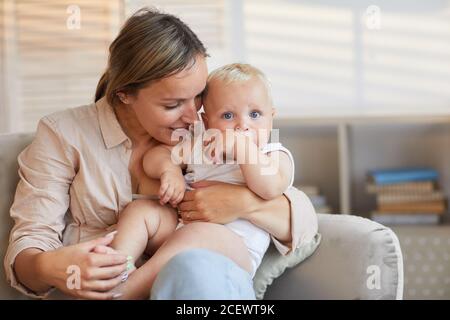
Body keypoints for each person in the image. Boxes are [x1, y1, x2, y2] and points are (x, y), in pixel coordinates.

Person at [4, 8, 318, 300]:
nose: (192, 115)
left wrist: (241, 204)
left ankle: (125, 292)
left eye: (198, 98)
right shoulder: (64, 134)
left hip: (200, 275)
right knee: (143, 217)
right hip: (130, 271)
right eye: (172, 105)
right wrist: (51, 266)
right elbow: (28, 248)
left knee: (192, 261)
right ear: (124, 94)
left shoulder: (218, 130)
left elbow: (301, 216)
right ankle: (120, 278)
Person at [111, 63, 295, 284]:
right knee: (139, 211)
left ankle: (129, 289)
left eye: (255, 114)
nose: (242, 126)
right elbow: (155, 157)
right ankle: (117, 272)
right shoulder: (204, 145)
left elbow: (271, 187)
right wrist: (170, 171)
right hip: (181, 231)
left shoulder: (272, 153)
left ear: (271, 118)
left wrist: (240, 146)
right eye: (228, 115)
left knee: (198, 234)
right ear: (207, 122)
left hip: (235, 249)